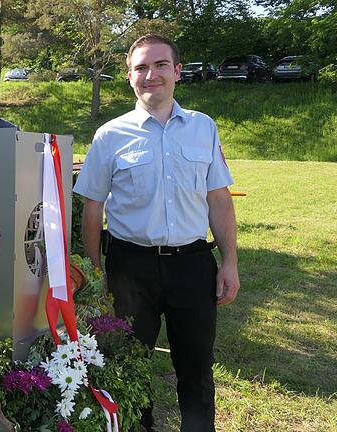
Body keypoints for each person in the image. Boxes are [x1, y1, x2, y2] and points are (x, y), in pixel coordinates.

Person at [73, 34, 240, 432]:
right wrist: (96, 274)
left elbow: (219, 199)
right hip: (130, 269)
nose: (151, 75)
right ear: (130, 77)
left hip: (193, 265)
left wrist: (229, 262)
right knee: (129, 368)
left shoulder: (204, 128)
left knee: (196, 369)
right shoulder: (109, 135)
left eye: (161, 65)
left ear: (178, 72)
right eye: (141, 68)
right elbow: (92, 208)